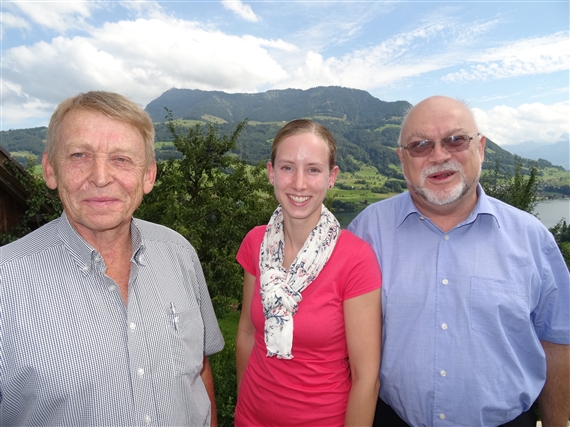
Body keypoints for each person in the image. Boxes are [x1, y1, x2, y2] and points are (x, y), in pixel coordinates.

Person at [0, 91, 224, 426]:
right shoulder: (5, 281)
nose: (101, 176)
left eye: (121, 159)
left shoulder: (179, 254)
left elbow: (200, 371)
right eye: (79, 155)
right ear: (50, 169)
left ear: (148, 176)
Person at [348, 95, 570, 427]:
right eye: (420, 145)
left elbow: (558, 341)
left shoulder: (532, 239)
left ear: (480, 148)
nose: (439, 156)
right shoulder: (366, 231)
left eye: (455, 140)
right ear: (402, 159)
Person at [234, 119, 382, 426]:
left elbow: (366, 378)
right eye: (287, 167)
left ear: (331, 177)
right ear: (271, 172)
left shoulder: (356, 259)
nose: (299, 183)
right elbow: (248, 333)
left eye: (313, 169)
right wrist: (241, 408)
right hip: (250, 417)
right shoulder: (256, 243)